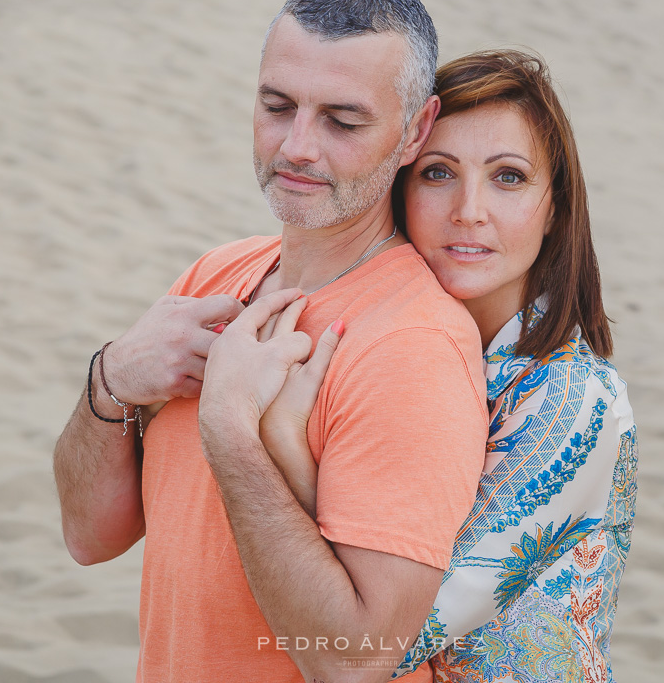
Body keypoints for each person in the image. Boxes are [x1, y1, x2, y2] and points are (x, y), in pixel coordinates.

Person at [52, 0, 490, 682]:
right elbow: (87, 536)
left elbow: (356, 660)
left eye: (343, 121)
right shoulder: (216, 276)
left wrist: (230, 431)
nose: (297, 148)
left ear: (415, 131)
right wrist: (111, 380)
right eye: (277, 105)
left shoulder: (413, 348)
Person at [220, 50, 637, 682]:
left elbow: (383, 641)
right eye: (439, 173)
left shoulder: (574, 401)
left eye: (509, 177)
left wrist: (281, 445)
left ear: (555, 208)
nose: (469, 209)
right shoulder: (395, 347)